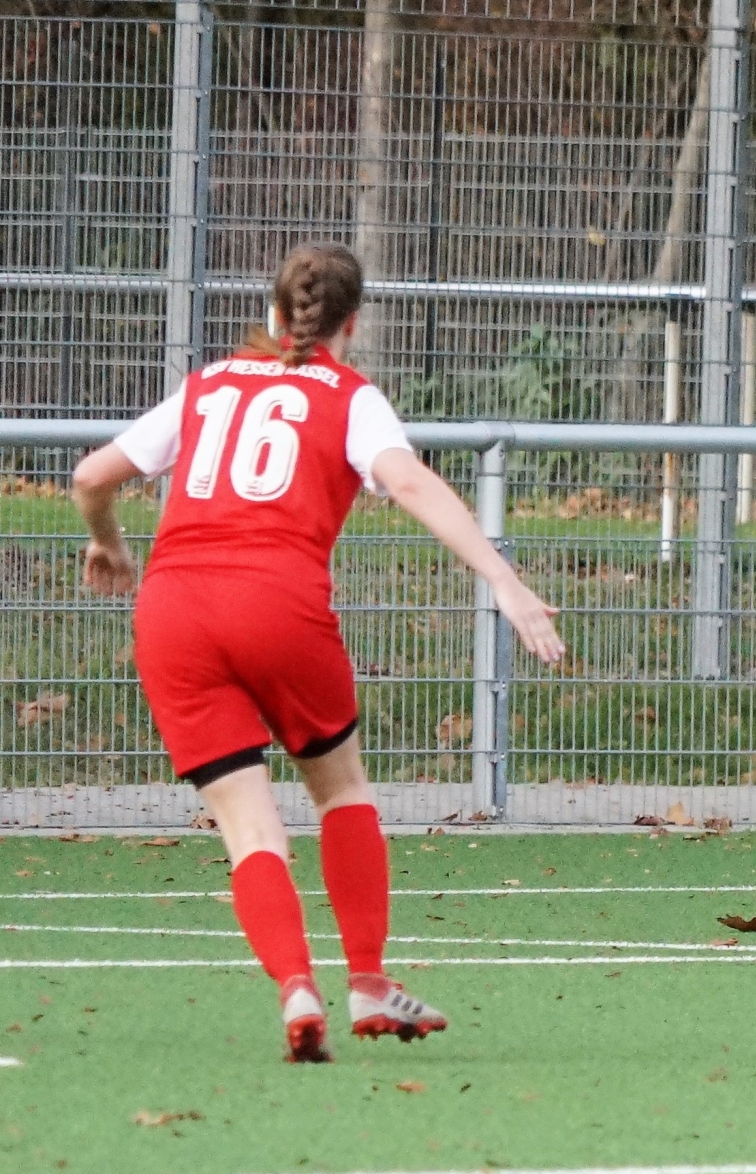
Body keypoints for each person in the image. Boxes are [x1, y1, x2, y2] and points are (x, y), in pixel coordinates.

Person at [72, 243, 566, 1062]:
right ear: (354, 323)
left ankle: (295, 986)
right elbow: (407, 481)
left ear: (274, 313)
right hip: (278, 604)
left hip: (173, 612)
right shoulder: (350, 396)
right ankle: (368, 980)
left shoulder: (208, 386)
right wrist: (504, 584)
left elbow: (93, 475)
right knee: (339, 788)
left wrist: (110, 547)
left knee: (246, 824)